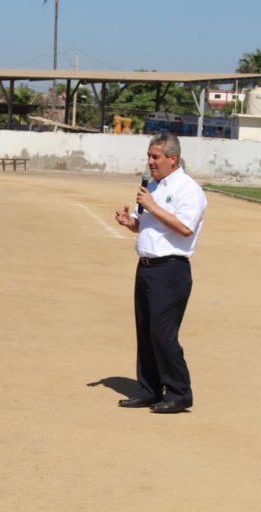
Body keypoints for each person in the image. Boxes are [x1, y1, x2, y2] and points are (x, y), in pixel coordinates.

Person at [115, 133, 207, 414]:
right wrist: (131, 222)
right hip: (146, 269)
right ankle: (149, 389)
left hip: (171, 271)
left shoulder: (188, 189)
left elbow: (185, 228)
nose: (150, 162)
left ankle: (179, 393)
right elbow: (149, 224)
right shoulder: (153, 185)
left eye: (155, 157)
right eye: (149, 156)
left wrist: (153, 205)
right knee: (145, 331)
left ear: (172, 158)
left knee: (162, 333)